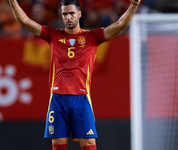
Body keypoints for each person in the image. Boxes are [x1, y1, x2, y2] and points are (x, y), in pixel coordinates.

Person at [8, 0, 141, 149]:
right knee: (58, 143)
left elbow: (120, 24)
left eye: (71, 13)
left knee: (89, 143)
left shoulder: (92, 37)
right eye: (65, 14)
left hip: (81, 98)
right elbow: (24, 20)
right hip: (58, 98)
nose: (68, 17)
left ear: (79, 13)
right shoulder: (53, 35)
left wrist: (134, 5)